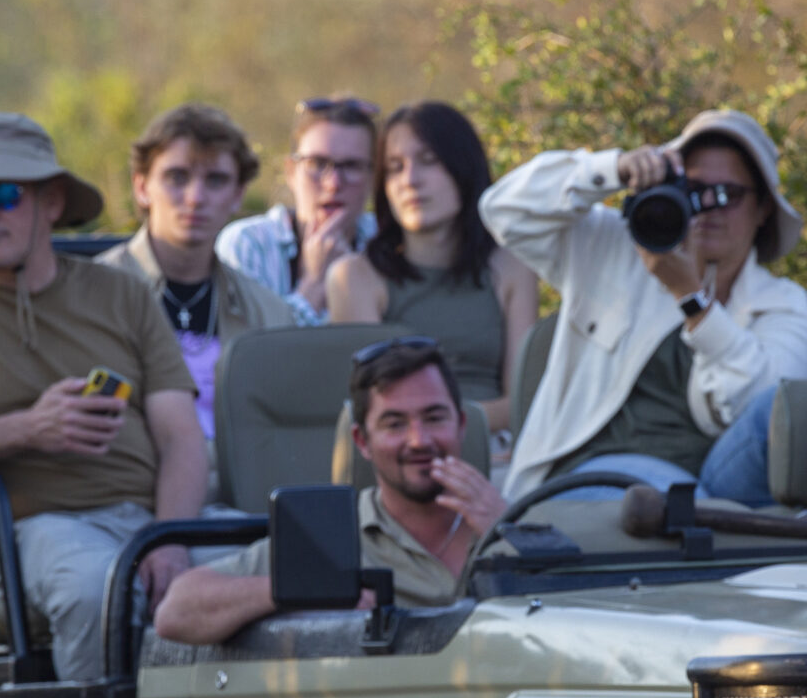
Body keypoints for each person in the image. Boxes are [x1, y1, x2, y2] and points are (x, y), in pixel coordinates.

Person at [0, 113, 208, 683]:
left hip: (152, 522)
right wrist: (29, 428)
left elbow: (181, 436)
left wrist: (169, 540)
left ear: (51, 203)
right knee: (98, 588)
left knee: (294, 569)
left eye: (3, 194)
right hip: (28, 532)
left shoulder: (123, 292)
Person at [480, 109, 807, 507]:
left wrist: (693, 301)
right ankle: (702, 528)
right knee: (659, 500)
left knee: (777, 409)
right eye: (692, 189)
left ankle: (702, 524)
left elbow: (755, 417)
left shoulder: (783, 303)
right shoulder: (614, 249)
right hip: (596, 474)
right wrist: (613, 168)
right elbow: (502, 211)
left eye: (728, 195)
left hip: (719, 480)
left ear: (763, 210)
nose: (708, 208)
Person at [153, 338, 505, 646]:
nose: (419, 440)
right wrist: (304, 589)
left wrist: (509, 532)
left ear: (460, 424)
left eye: (434, 418)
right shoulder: (332, 539)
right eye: (394, 424)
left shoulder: (513, 520)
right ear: (362, 441)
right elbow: (176, 611)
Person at [327, 101, 538, 454]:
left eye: (429, 162)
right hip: (403, 455)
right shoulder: (355, 277)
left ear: (463, 168)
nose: (410, 180)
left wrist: (456, 425)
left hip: (498, 453)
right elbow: (373, 408)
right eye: (395, 168)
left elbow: (524, 401)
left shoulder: (513, 267)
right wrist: (440, 426)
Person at [98, 104, 295, 461]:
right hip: (131, 491)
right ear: (142, 187)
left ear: (237, 195)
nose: (195, 197)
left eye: (216, 180)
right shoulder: (94, 292)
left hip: (242, 499)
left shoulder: (269, 313)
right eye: (177, 177)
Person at [215, 96, 380, 325]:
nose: (333, 183)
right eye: (318, 164)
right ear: (291, 172)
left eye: (351, 166)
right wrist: (313, 284)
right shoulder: (247, 245)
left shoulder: (387, 242)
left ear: (373, 177)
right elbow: (250, 353)